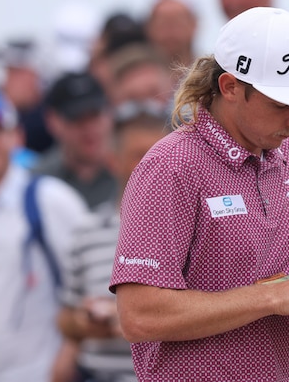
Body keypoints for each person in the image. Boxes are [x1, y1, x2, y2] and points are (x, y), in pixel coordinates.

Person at [110, 7, 289, 382]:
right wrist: (274, 297)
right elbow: (139, 316)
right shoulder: (172, 165)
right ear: (231, 87)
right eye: (282, 103)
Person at [0, 86, 88, 381]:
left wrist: (69, 353)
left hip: (35, 373)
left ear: (16, 136)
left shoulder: (49, 198)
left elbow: (96, 278)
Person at [57, 102, 171, 382]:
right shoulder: (87, 230)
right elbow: (65, 316)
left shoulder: (193, 229)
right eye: (140, 155)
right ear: (113, 160)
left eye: (161, 154)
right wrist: (84, 321)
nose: (153, 165)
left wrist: (136, 319)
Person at [35, 71, 118, 210]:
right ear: (53, 122)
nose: (89, 128)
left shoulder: (134, 170)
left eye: (94, 115)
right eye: (76, 118)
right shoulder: (39, 182)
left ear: (109, 113)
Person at [144, 0, 198, 72]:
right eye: (163, 24)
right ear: (149, 28)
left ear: (194, 25)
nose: (170, 31)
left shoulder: (211, 73)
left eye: (177, 23)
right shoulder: (137, 77)